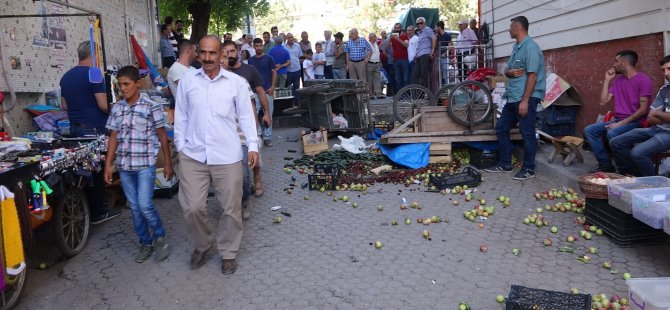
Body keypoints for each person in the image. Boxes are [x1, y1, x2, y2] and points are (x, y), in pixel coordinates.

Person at [174, 35, 259, 274]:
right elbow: (180, 116)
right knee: (192, 207)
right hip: (193, 155)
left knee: (231, 208)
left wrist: (253, 146)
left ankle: (229, 252)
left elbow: (245, 117)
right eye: (204, 53)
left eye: (213, 53)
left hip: (227, 155)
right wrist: (180, 147)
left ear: (221, 54)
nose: (208, 58)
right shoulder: (188, 82)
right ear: (197, 54)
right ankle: (203, 243)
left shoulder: (236, 83)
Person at [104, 66, 173, 263]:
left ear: (138, 84)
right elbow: (113, 137)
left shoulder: (151, 106)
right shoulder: (117, 108)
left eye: (126, 84)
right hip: (125, 166)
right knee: (134, 207)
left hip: (145, 165)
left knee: (144, 205)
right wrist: (109, 164)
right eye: (120, 85)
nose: (122, 89)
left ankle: (160, 235)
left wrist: (168, 163)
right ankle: (146, 242)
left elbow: (162, 135)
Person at [60, 41, 120, 224]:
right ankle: (99, 212)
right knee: (98, 169)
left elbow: (64, 106)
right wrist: (117, 109)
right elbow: (103, 106)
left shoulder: (66, 76)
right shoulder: (94, 73)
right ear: (94, 54)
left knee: (85, 170)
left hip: (75, 129)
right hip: (94, 130)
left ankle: (88, 211)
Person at [485, 16, 546, 180]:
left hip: (525, 99)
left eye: (511, 27)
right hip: (513, 97)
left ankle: (529, 169)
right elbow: (507, 70)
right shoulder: (516, 47)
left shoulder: (531, 48)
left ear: (518, 27)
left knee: (527, 134)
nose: (508, 29)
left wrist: (526, 101)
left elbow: (532, 76)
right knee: (501, 129)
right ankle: (505, 164)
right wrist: (508, 73)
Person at [583, 50, 653, 172]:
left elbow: (643, 110)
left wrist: (620, 123)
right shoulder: (618, 81)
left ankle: (626, 170)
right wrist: (606, 80)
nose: (613, 64)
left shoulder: (643, 80)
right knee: (590, 130)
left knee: (612, 133)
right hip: (618, 121)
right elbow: (603, 101)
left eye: (616, 61)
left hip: (637, 122)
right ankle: (606, 165)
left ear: (625, 62)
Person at [610, 55, 670, 177]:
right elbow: (650, 116)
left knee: (637, 153)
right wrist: (662, 115)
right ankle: (633, 175)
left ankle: (653, 184)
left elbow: (655, 114)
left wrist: (659, 114)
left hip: (668, 134)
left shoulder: (643, 80)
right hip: (656, 129)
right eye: (663, 70)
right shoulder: (664, 90)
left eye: (669, 69)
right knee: (616, 142)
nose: (665, 73)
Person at [411, 17, 436, 88]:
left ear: (424, 23)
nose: (419, 24)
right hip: (419, 56)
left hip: (425, 54)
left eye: (421, 23)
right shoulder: (419, 33)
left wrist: (432, 51)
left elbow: (434, 38)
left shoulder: (427, 30)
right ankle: (417, 94)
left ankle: (423, 93)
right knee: (414, 76)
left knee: (423, 75)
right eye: (418, 24)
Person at [390, 23, 410, 90]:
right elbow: (387, 47)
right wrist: (390, 39)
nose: (397, 29)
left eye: (398, 28)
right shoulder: (393, 37)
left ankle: (406, 94)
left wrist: (397, 39)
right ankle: (399, 95)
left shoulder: (405, 36)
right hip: (395, 60)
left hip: (404, 59)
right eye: (395, 28)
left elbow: (406, 45)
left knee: (406, 79)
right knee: (398, 79)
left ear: (401, 28)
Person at [285, 33, 303, 103]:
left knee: (297, 86)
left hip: (297, 69)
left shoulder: (297, 46)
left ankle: (297, 102)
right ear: (286, 38)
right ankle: (290, 102)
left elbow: (300, 56)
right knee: (289, 86)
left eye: (291, 37)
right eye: (289, 37)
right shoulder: (284, 47)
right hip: (288, 70)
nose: (290, 39)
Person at [367, 33, 383, 99]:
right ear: (370, 37)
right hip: (370, 63)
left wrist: (380, 62)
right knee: (369, 79)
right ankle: (370, 94)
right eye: (374, 36)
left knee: (377, 79)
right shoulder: (368, 44)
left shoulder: (376, 44)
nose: (375, 37)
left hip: (376, 63)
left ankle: (378, 93)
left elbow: (378, 54)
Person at [379, 30, 395, 96]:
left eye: (384, 33)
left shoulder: (390, 40)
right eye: (382, 33)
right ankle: (384, 92)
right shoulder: (379, 41)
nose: (383, 35)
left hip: (389, 61)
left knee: (391, 76)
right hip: (383, 62)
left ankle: (391, 91)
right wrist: (382, 42)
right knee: (385, 77)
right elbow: (379, 49)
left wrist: (389, 57)